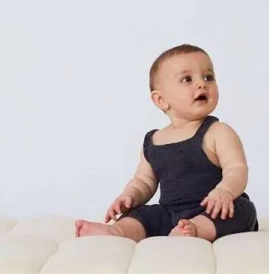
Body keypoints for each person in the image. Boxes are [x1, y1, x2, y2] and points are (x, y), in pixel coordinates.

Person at [74, 44, 257, 242]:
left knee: (243, 210)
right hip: (170, 214)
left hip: (212, 209)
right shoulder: (154, 140)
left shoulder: (218, 132)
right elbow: (144, 181)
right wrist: (130, 195)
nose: (202, 84)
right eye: (187, 79)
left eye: (208, 77)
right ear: (161, 100)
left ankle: (195, 229)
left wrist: (225, 191)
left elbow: (237, 169)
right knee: (142, 214)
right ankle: (117, 232)